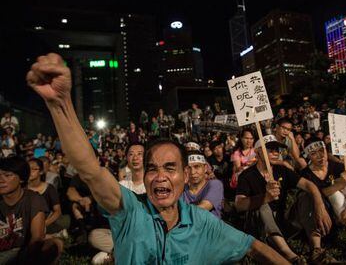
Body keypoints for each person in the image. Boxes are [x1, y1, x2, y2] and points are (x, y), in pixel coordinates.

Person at [26, 53, 289, 264]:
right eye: (152, 168)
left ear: (185, 175)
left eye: (170, 168)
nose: (160, 176)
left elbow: (253, 246)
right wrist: (60, 104)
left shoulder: (202, 222)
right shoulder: (130, 211)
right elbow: (90, 170)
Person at [236, 135, 333, 264]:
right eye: (271, 150)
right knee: (263, 205)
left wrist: (320, 206)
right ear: (258, 151)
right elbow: (239, 204)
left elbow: (309, 185)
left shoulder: (282, 170)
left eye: (277, 150)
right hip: (260, 227)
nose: (276, 153)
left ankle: (316, 250)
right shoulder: (247, 175)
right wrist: (266, 197)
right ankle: (291, 256)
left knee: (306, 196)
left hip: (283, 221)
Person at [0, 156, 63, 264]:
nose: (1, 180)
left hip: (21, 252)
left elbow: (37, 238)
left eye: (7, 175)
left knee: (54, 244)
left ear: (22, 178)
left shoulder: (34, 199)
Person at [27, 158, 69, 237]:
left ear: (41, 172)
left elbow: (57, 211)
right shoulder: (22, 189)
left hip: (46, 221)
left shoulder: (49, 188)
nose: (29, 172)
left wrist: (44, 224)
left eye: (33, 169)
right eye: (27, 169)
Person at [183, 152, 223, 218]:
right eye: (189, 168)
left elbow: (203, 208)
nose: (193, 172)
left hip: (210, 228)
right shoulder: (182, 188)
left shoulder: (215, 184)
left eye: (197, 167)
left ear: (205, 168)